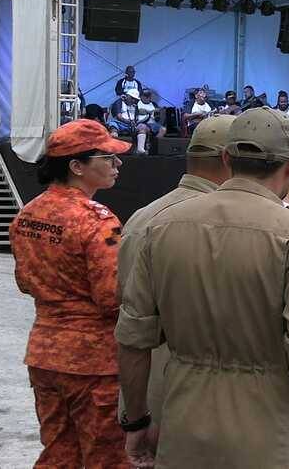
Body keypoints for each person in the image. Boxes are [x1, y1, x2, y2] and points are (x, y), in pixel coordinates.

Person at [115, 106, 289, 468]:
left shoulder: (160, 225)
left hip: (184, 419)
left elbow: (133, 337)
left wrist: (137, 419)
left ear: (228, 157)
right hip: (272, 427)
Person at [8, 119, 132, 468]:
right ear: (77, 166)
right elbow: (112, 297)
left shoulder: (27, 215)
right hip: (94, 362)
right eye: (107, 157)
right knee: (107, 458)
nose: (117, 164)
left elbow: (25, 282)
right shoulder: (97, 220)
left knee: (59, 452)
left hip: (45, 354)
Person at [116, 115, 235, 433]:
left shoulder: (143, 217)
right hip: (213, 398)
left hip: (149, 387)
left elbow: (127, 311)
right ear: (229, 159)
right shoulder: (236, 223)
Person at [109, 88, 152, 155]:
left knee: (143, 127)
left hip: (130, 125)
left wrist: (136, 122)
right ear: (127, 96)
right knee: (113, 126)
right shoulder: (119, 102)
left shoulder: (135, 106)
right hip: (119, 123)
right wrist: (128, 121)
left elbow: (136, 117)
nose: (134, 100)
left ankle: (140, 149)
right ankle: (113, 149)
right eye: (132, 98)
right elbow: (118, 116)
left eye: (135, 99)